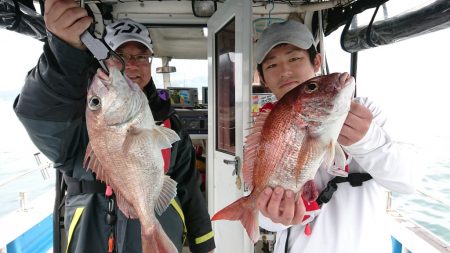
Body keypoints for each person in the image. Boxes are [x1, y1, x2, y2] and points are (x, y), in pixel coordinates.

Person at [13, 0, 215, 252]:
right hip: (92, 237)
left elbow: (188, 187)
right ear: (106, 61)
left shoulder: (169, 121)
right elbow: (38, 111)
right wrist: (65, 51)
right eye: (121, 55)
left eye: (141, 56)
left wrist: (204, 244)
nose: (131, 64)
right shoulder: (76, 119)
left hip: (161, 230)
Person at [254, 19, 419, 253]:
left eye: (294, 58)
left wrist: (367, 140)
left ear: (317, 61)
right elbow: (264, 219)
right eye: (272, 66)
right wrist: (275, 217)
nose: (285, 71)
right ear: (262, 78)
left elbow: (409, 180)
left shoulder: (367, 114)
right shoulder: (265, 132)